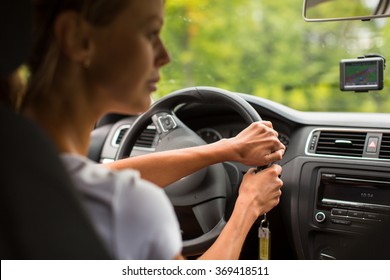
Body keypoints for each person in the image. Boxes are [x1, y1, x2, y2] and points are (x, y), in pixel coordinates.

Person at [22, 0, 285, 260]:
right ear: (78, 38)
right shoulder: (130, 205)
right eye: (150, 34)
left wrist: (227, 148)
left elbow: (93, 178)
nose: (165, 56)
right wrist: (248, 205)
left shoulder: (23, 168)